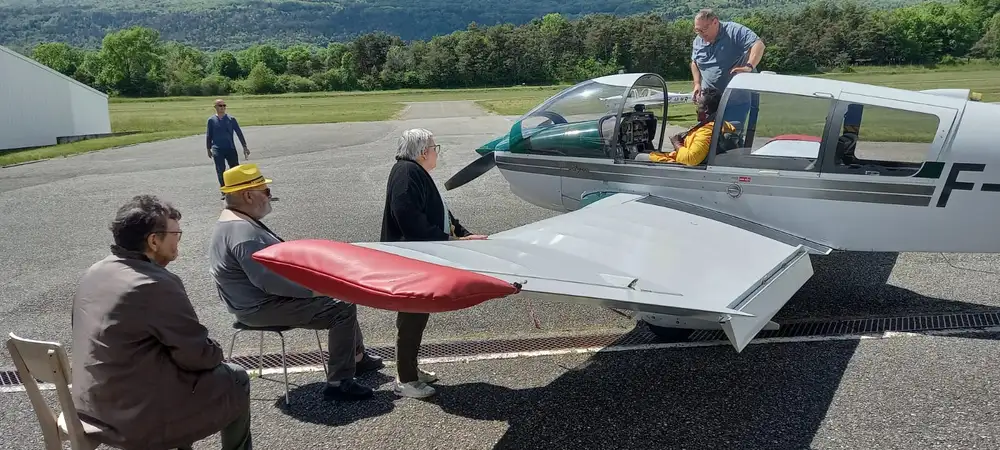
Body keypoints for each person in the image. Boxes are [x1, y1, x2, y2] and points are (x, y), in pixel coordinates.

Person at [71, 195, 252, 450]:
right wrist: (216, 351)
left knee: (168, 365)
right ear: (154, 241)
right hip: (134, 418)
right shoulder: (154, 284)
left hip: (90, 404)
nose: (179, 239)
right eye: (176, 233)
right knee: (235, 377)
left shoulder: (96, 271)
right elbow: (197, 355)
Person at [208, 163, 383, 402]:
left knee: (342, 296)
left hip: (253, 304)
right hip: (260, 308)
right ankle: (339, 382)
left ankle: (357, 358)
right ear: (247, 195)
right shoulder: (243, 233)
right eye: (266, 192)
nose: (270, 197)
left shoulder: (232, 222)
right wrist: (316, 289)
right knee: (341, 307)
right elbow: (270, 282)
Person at [380, 128, 487, 398]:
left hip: (420, 253)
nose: (436, 153)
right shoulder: (407, 173)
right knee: (412, 316)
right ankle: (406, 379)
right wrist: (446, 241)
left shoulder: (414, 172)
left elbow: (440, 210)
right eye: (434, 148)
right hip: (414, 256)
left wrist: (462, 233)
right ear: (423, 152)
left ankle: (411, 370)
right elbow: (407, 217)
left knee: (417, 315)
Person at [689, 8, 765, 128]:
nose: (701, 34)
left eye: (704, 29)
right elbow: (694, 63)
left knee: (730, 137)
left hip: (735, 100)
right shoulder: (698, 42)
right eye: (697, 30)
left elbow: (758, 45)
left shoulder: (734, 31)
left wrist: (749, 66)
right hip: (709, 102)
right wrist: (697, 83)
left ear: (715, 22)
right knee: (705, 137)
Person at [636, 88, 734, 165]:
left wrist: (677, 144)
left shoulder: (706, 131)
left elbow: (691, 160)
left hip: (680, 165)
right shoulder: (723, 125)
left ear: (706, 109)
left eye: (698, 104)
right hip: (678, 159)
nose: (696, 109)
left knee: (637, 157)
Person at [207, 98, 250, 197]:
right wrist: (208, 149)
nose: (222, 108)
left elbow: (239, 133)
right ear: (215, 107)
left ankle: (237, 189)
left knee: (234, 169)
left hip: (230, 148)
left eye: (224, 105)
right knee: (220, 170)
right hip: (217, 148)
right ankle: (225, 191)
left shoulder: (231, 119)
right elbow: (209, 135)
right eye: (220, 106)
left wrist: (245, 147)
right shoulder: (211, 120)